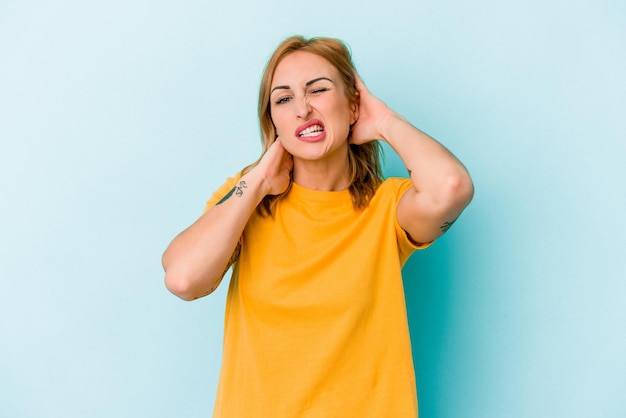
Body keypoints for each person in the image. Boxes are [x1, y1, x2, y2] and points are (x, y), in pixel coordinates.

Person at [162, 35, 474, 418]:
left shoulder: (387, 208)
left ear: (353, 104)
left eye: (318, 90)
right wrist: (259, 180)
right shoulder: (245, 203)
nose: (302, 109)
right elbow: (183, 279)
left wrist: (385, 121)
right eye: (283, 99)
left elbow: (452, 187)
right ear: (273, 120)